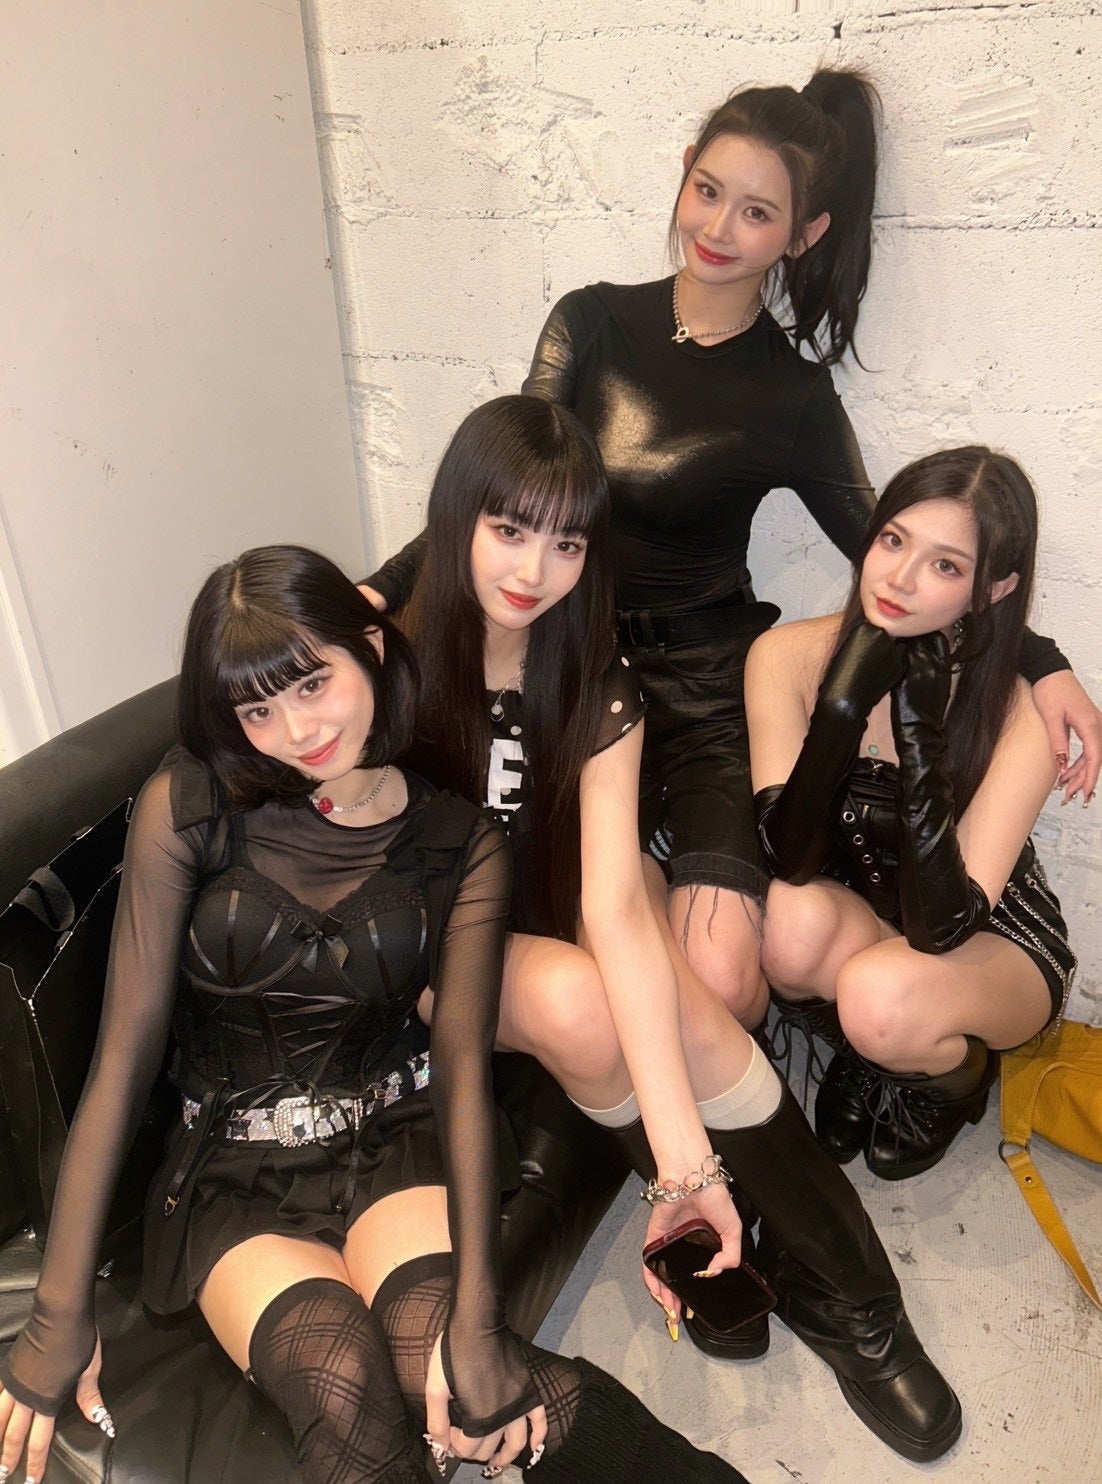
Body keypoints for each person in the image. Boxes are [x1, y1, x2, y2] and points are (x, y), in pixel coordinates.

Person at [364, 70, 1099, 1037]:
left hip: (708, 696)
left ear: (803, 234)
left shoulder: (793, 395)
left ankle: (720, 1105)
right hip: (578, 670)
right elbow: (511, 490)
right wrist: (379, 589)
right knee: (572, 922)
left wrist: (1039, 658)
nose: (718, 227)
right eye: (707, 190)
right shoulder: (590, 322)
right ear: (683, 173)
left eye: (757, 212)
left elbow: (891, 550)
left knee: (722, 974)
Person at [0, 546, 748, 1484]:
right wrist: (56, 1314)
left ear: (370, 645)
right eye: (256, 710)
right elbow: (124, 1055)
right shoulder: (188, 805)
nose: (295, 731)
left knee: (463, 1366)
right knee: (340, 1384)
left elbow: (463, 1072)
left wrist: (480, 1324)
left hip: (397, 1136)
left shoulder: (460, 842)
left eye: (312, 683)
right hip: (233, 1171)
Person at [394, 394, 962, 1464]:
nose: (534, 569)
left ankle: (849, 1298)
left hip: (551, 910)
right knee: (581, 999)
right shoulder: (392, 656)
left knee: (670, 985)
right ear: (459, 515)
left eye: (567, 543)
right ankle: (741, 1249)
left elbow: (612, 905)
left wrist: (688, 1158)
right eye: (508, 529)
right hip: (429, 951)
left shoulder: (591, 674)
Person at [746, 447, 1076, 1179]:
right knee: (786, 924)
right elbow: (788, 859)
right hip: (869, 923)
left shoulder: (1021, 707)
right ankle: (878, 1051)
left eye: (946, 566)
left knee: (878, 994)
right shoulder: (782, 656)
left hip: (992, 941)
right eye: (893, 540)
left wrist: (919, 728)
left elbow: (944, 926)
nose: (899, 578)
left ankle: (950, 1079)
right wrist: (840, 708)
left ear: (993, 590)